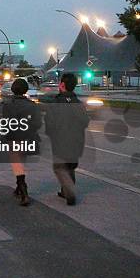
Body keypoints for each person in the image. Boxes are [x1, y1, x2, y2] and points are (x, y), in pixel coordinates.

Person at [45, 73, 90, 206]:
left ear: (62, 85)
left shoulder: (56, 102)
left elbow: (49, 123)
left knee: (59, 166)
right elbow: (85, 122)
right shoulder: (78, 103)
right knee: (70, 166)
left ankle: (69, 192)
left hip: (60, 141)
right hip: (77, 141)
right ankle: (65, 190)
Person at [1, 78, 42, 206]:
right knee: (20, 163)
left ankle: (24, 191)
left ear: (13, 89)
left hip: (14, 137)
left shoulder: (8, 105)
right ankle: (19, 188)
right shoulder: (33, 105)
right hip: (29, 137)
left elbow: (6, 123)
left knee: (17, 164)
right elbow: (38, 123)